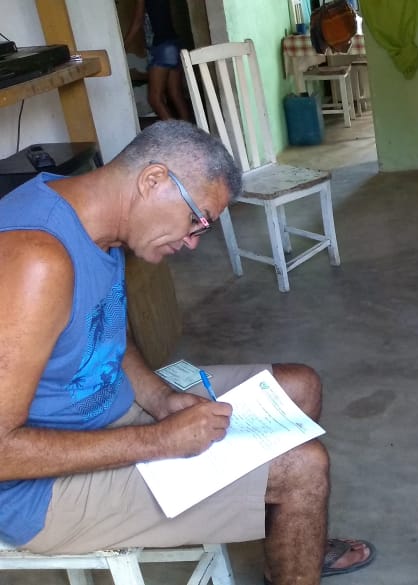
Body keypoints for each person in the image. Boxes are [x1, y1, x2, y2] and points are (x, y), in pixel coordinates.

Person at [0, 121, 373, 584]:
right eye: (197, 219)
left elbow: (108, 331)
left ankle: (292, 544)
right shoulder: (34, 261)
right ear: (153, 180)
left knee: (299, 385)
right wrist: (160, 441)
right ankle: (296, 530)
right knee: (304, 468)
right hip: (39, 491)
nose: (193, 241)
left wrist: (160, 399)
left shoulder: (97, 218)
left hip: (111, 412)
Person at [124, 0, 192, 121]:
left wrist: (122, 47)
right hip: (174, 43)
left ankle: (175, 132)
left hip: (162, 47)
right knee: (176, 94)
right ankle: (188, 130)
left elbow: (138, 22)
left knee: (154, 99)